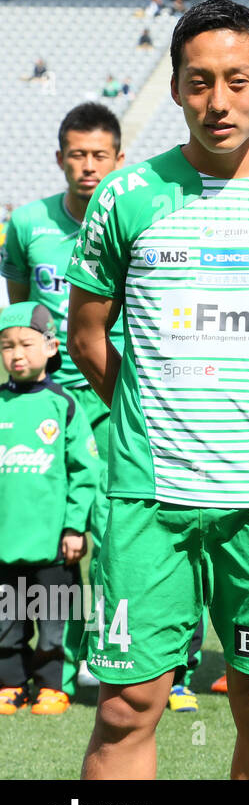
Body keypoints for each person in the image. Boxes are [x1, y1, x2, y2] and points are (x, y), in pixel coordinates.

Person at [66, 0, 249, 779]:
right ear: (174, 89)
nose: (218, 100)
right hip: (146, 501)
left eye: (237, 80)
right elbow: (87, 334)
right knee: (129, 704)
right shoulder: (124, 198)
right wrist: (151, 414)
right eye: (199, 82)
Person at [2, 103, 126, 598]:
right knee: (57, 530)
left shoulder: (133, 220)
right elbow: (21, 310)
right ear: (60, 158)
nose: (89, 165)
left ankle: (132, 654)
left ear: (119, 159)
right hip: (51, 399)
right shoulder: (29, 223)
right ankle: (60, 664)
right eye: (78, 155)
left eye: (99, 154)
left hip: (117, 392)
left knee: (119, 527)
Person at [0, 302, 100, 716]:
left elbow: (85, 470)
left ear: (51, 345)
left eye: (26, 343)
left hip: (54, 540)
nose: (16, 354)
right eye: (6, 346)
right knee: (6, 618)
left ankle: (51, 685)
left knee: (54, 617)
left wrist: (75, 527)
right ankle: (10, 682)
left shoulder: (64, 404)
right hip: (6, 539)